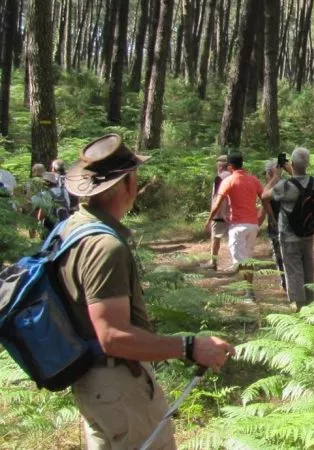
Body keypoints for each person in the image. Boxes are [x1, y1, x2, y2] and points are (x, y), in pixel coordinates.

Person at [59, 134, 233, 449]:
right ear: (127, 184)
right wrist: (190, 347)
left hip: (94, 383)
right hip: (119, 388)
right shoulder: (105, 246)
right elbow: (111, 336)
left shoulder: (71, 229)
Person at [205, 153, 270, 301]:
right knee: (247, 259)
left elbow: (218, 203)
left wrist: (209, 220)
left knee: (241, 262)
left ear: (230, 166)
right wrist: (263, 216)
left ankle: (249, 291)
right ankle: (249, 292)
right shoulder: (253, 179)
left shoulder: (228, 180)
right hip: (252, 226)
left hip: (237, 227)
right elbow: (265, 198)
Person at [263, 148, 314, 310]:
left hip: (289, 236)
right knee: (308, 268)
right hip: (308, 233)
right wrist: (294, 170)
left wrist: (276, 177)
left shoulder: (285, 186)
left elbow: (265, 195)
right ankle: (311, 302)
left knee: (294, 271)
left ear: (292, 163)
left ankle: (300, 306)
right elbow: (300, 185)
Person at [262, 159, 287, 293]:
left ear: (271, 171)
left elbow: (263, 197)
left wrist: (275, 177)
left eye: (266, 172)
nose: (265, 175)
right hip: (289, 229)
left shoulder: (274, 187)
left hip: (277, 228)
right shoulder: (289, 184)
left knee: (279, 258)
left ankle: (286, 285)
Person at [205, 155, 232, 271]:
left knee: (215, 238)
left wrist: (211, 217)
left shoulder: (219, 178)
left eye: (218, 164)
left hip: (220, 214)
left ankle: (213, 262)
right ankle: (236, 263)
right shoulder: (233, 177)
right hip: (232, 214)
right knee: (232, 239)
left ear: (220, 166)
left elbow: (218, 198)